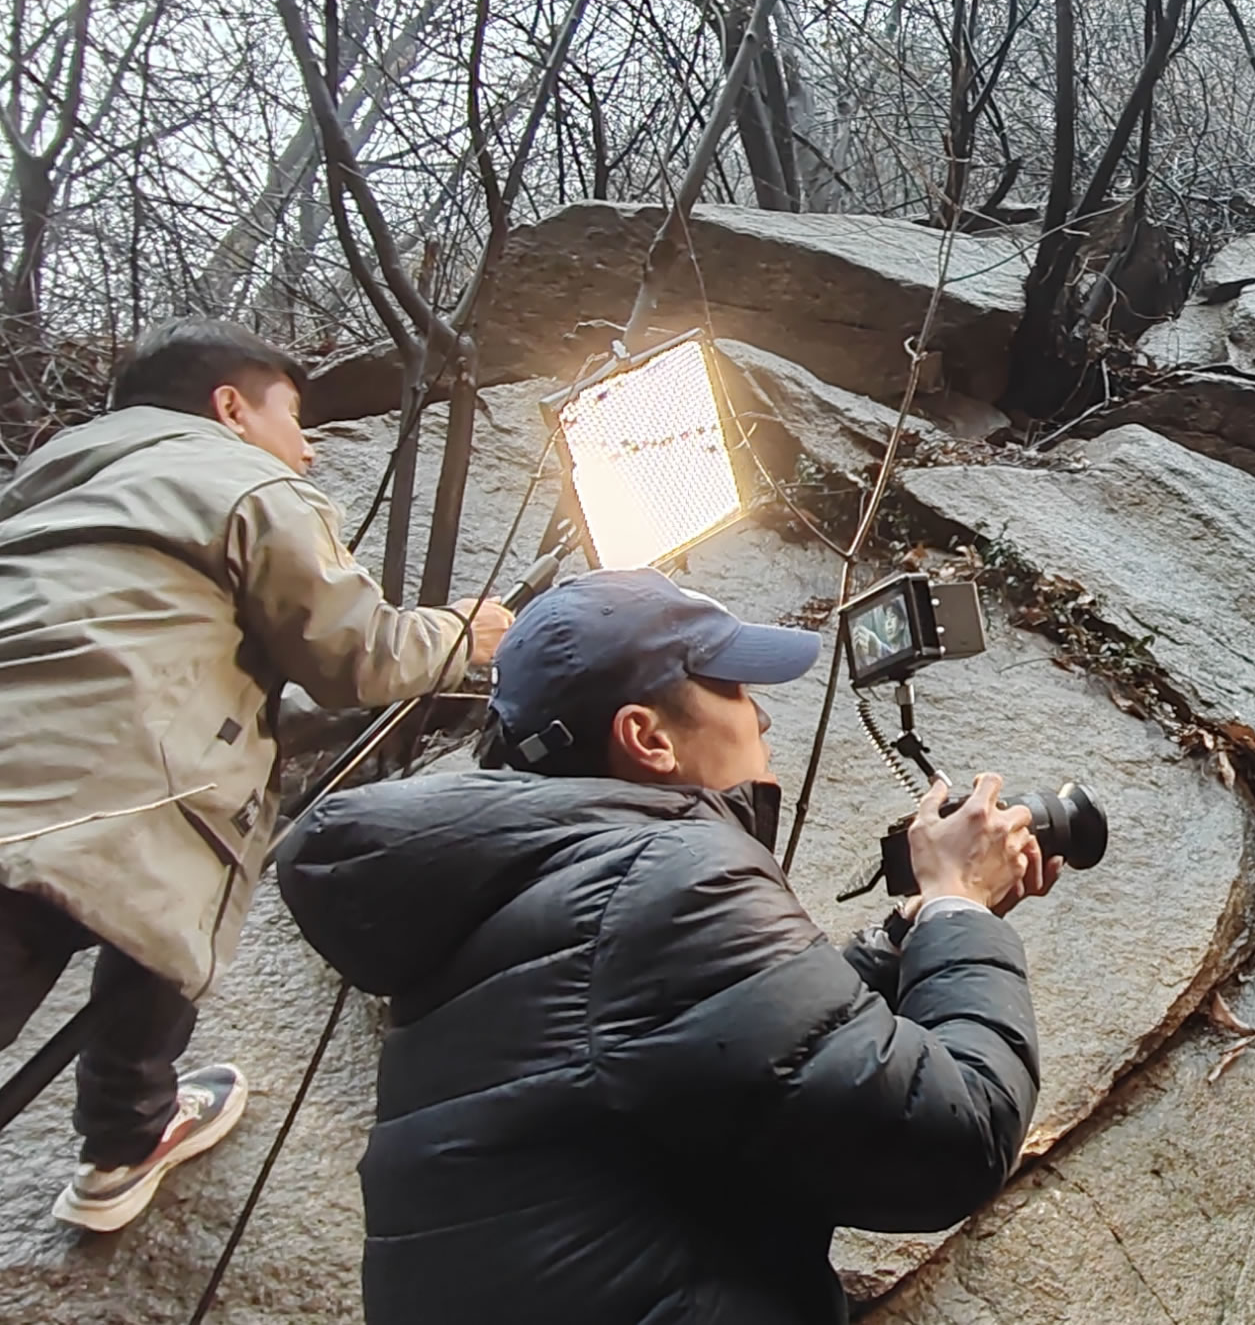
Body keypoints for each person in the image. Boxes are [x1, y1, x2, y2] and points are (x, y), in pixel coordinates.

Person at [274, 568, 1059, 1325]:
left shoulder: (515, 915)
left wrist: (909, 936)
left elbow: (724, 1052)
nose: (760, 717)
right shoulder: (669, 878)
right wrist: (959, 904)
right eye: (734, 689)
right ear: (647, 738)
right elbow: (957, 1136)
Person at [0, 317, 515, 1233]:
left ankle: (129, 1132)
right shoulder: (244, 479)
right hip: (105, 783)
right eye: (294, 420)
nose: (307, 450)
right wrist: (463, 632)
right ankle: (122, 1138)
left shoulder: (42, 490)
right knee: (152, 882)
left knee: (153, 901)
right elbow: (356, 656)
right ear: (231, 408)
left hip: (52, 777)